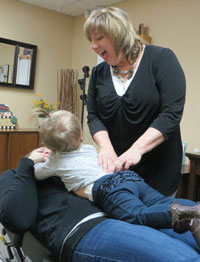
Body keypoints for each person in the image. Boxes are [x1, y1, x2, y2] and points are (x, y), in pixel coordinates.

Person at [1, 149, 200, 262]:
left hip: (117, 213)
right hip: (88, 228)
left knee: (188, 213)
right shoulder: (15, 176)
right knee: (186, 258)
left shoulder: (68, 165)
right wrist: (26, 163)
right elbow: (17, 218)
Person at [34, 109, 200, 241]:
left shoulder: (56, 162)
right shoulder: (89, 149)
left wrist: (40, 158)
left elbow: (37, 173)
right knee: (161, 201)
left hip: (108, 188)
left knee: (137, 215)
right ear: (80, 135)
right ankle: (193, 207)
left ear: (50, 146)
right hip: (128, 177)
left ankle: (185, 216)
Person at [84, 6, 186, 197]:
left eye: (99, 38)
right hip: (119, 172)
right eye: (91, 40)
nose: (93, 46)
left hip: (159, 173)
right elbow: (93, 116)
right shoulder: (98, 73)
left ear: (119, 36)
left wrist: (136, 150)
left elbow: (171, 113)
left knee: (155, 223)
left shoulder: (161, 59)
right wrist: (105, 148)